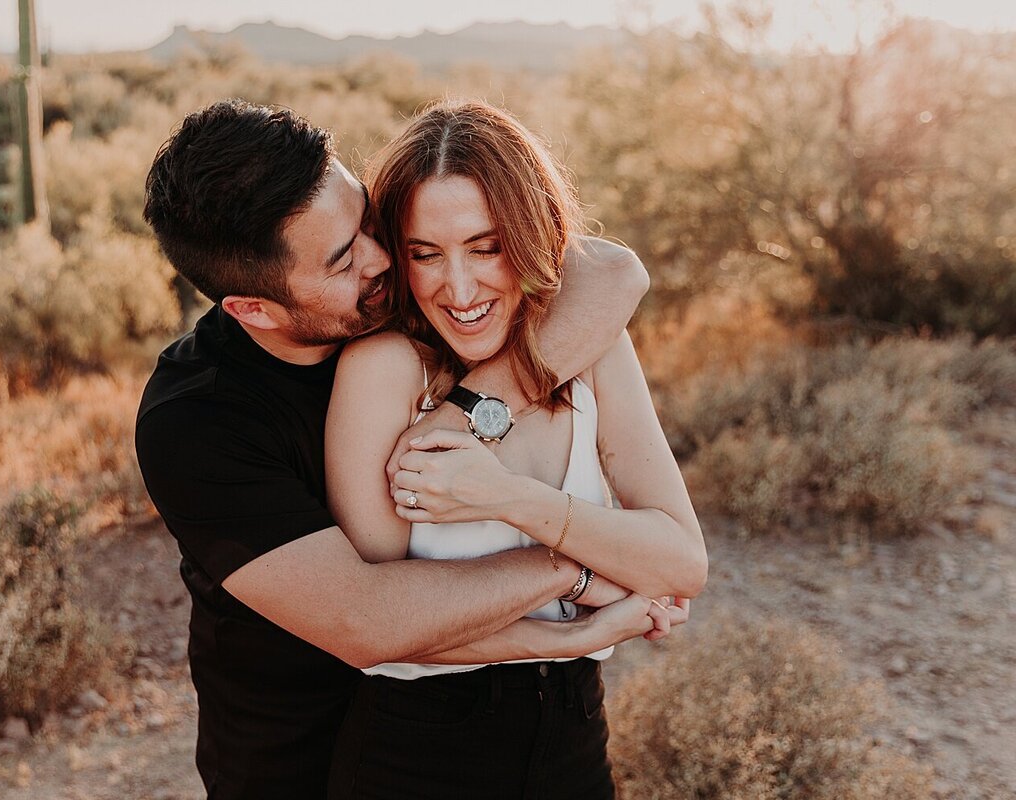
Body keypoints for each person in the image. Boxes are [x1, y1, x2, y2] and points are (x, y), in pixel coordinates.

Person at [135, 98, 656, 799]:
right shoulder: (196, 423)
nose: (383, 259)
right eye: (346, 259)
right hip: (295, 754)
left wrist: (473, 408)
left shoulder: (421, 303)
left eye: (369, 222)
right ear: (253, 308)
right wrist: (572, 575)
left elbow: (611, 271)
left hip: (514, 730)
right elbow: (367, 620)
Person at [323, 100, 706, 798]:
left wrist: (509, 498)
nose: (459, 288)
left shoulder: (593, 348)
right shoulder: (385, 371)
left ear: (532, 235)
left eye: (486, 246)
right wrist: (583, 582)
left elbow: (682, 561)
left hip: (573, 731)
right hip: (417, 752)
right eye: (424, 254)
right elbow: (383, 625)